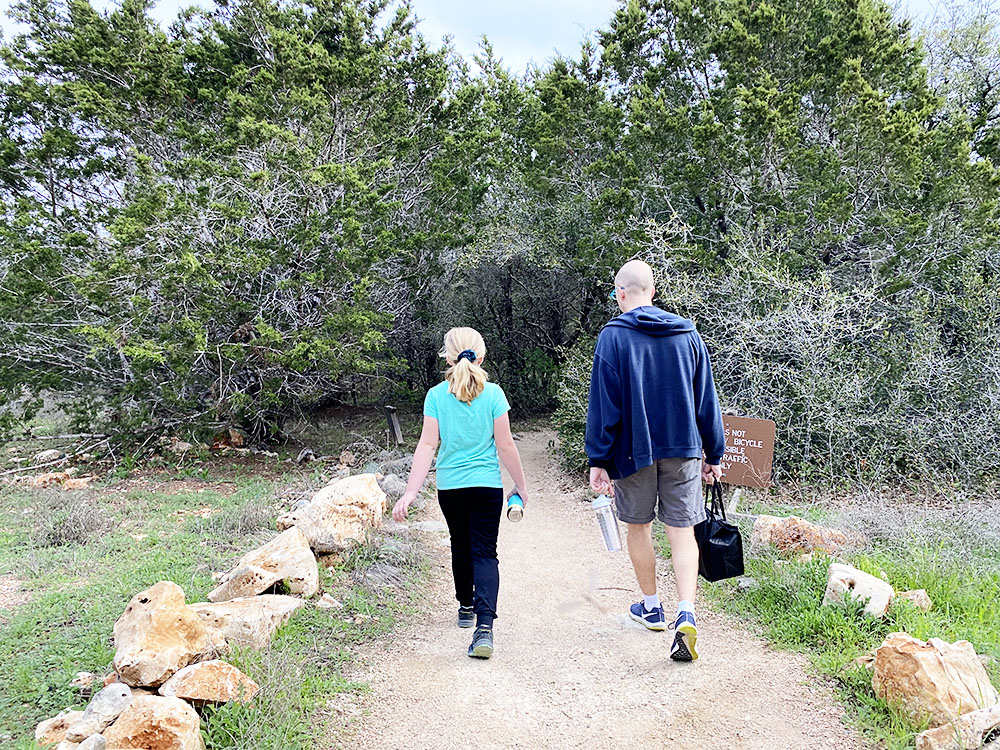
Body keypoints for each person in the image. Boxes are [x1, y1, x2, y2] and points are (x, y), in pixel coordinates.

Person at [586, 260, 725, 662]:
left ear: (621, 294)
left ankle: (651, 607)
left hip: (633, 451)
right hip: (683, 448)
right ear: (653, 290)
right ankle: (687, 613)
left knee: (638, 526)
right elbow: (706, 401)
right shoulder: (689, 335)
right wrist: (713, 453)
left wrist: (599, 457)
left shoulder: (613, 337)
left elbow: (604, 404)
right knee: (682, 531)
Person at [392, 326, 528, 660]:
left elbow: (427, 444)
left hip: (451, 487)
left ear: (448, 357)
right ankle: (485, 627)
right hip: (487, 486)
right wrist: (521, 486)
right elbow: (506, 445)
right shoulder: (494, 394)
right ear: (481, 356)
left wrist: (410, 492)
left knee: (460, 545)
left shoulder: (436, 395)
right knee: (485, 552)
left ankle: (466, 607)